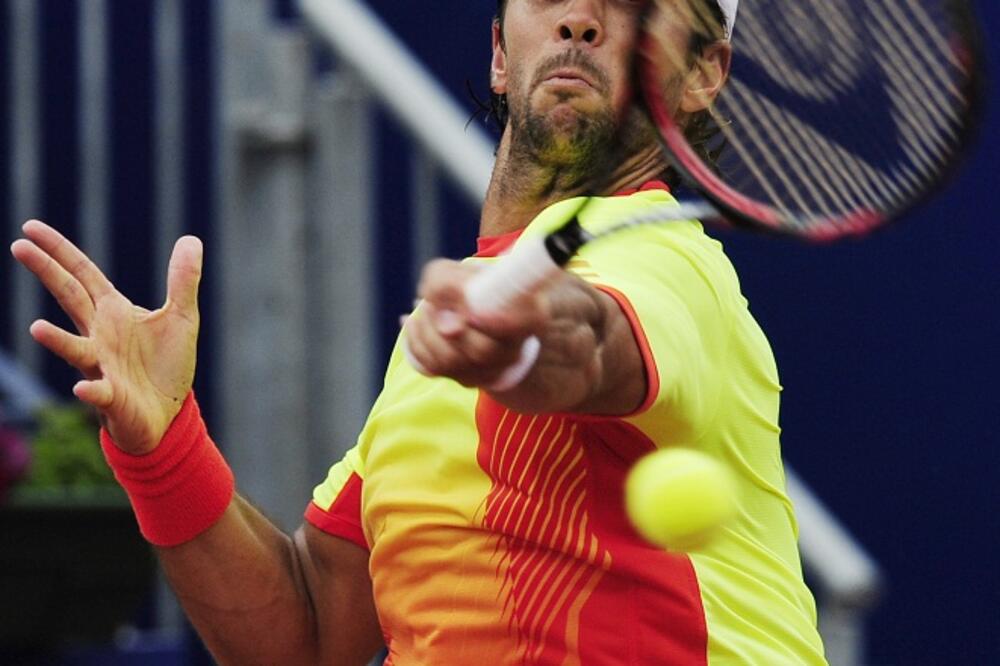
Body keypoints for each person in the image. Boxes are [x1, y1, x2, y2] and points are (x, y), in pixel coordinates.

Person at [10, 0, 826, 663]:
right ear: (502, 53)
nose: (582, 19)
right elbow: (306, 636)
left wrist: (525, 341)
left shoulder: (670, 262)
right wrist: (163, 448)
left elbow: (595, 338)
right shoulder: (436, 346)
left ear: (701, 74)